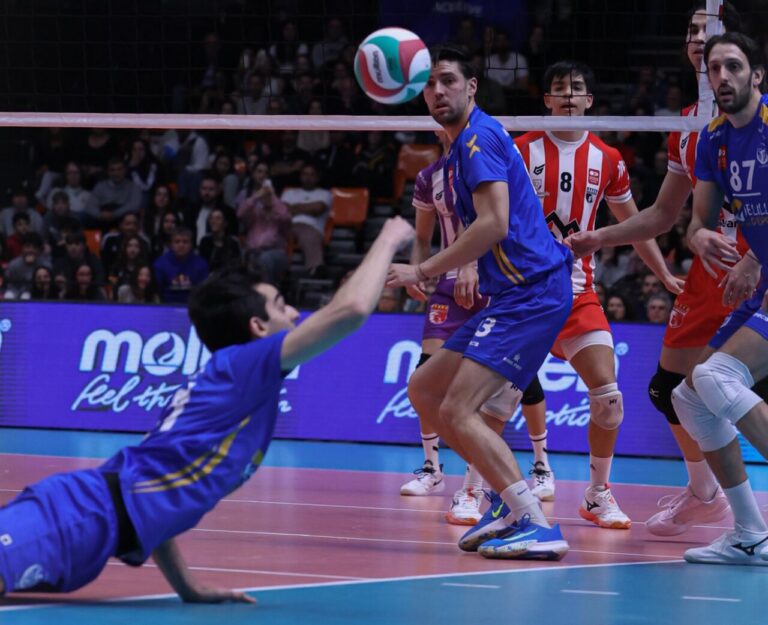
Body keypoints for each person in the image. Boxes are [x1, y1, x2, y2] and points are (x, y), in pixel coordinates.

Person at [0, 216, 414, 601]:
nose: (295, 313)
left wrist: (188, 587)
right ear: (258, 328)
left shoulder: (239, 391)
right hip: (73, 518)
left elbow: (151, 502)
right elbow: (351, 311)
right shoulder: (241, 366)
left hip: (88, 541)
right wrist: (389, 238)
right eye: (282, 304)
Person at [566, 5, 756, 537]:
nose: (697, 39)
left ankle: (732, 512)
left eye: (709, 29)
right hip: (712, 268)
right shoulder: (688, 128)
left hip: (751, 263)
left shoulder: (756, 116)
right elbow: (664, 215)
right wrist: (597, 236)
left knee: (714, 385)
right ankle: (711, 499)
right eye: (692, 31)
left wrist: (755, 254)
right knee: (671, 387)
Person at [387, 46, 573, 560]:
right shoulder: (457, 148)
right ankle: (506, 502)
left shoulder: (477, 139)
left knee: (458, 408)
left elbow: (494, 223)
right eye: (430, 84)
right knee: (425, 388)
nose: (438, 91)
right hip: (511, 293)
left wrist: (424, 269)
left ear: (472, 87)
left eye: (448, 80)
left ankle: (534, 521)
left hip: (533, 292)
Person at [515, 60, 683, 530]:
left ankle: (596, 493)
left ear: (590, 100)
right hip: (522, 296)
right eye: (559, 89)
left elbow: (636, 225)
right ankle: (473, 489)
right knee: (492, 404)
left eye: (577, 88)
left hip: (578, 295)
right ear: (546, 101)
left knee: (609, 399)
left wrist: (666, 275)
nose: (569, 95)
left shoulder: (607, 159)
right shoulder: (521, 149)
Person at [398, 133, 549, 525]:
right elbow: (421, 236)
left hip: (497, 282)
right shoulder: (430, 177)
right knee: (425, 380)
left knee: (491, 397)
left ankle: (491, 487)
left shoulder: (484, 159)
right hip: (447, 285)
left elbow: (488, 222)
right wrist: (419, 269)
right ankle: (435, 469)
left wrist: (467, 265)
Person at [667, 32, 768, 565]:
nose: (723, 77)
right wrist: (700, 236)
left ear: (757, 76)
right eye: (714, 69)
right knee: (689, 397)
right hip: (763, 277)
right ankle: (751, 533)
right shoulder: (713, 140)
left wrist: (753, 260)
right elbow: (698, 222)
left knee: (715, 377)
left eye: (734, 67)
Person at [281, 163, 331, 276]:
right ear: (300, 176)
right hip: (288, 226)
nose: (308, 177)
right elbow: (283, 210)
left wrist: (294, 208)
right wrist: (308, 208)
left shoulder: (324, 194)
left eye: (311, 174)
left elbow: (318, 209)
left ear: (317, 177)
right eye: (305, 174)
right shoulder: (289, 193)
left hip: (311, 228)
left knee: (307, 234)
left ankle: (316, 267)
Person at [153, 226, 209, 304]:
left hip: (193, 307)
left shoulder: (201, 264)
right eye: (177, 241)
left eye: (185, 242)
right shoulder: (160, 263)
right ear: (171, 245)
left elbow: (203, 292)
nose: (181, 245)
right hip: (166, 307)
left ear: (191, 245)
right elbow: (157, 291)